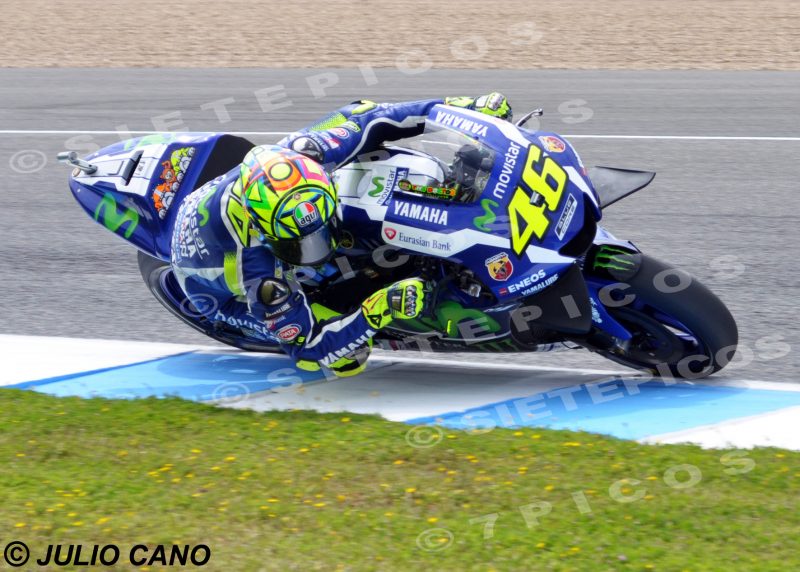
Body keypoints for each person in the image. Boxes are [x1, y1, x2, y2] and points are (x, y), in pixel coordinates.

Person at [170, 93, 512, 377]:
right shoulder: (257, 270)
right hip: (211, 289)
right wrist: (379, 309)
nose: (318, 246)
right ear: (263, 230)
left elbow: (376, 116)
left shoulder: (308, 151)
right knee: (347, 360)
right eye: (300, 242)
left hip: (245, 203)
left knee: (363, 118)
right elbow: (307, 351)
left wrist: (464, 107)